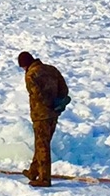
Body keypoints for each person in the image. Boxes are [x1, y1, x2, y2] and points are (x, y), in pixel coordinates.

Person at [17, 50, 70, 186]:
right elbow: (64, 89)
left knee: (42, 147)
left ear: (25, 65)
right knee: (42, 143)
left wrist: (47, 105)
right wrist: (57, 103)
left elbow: (36, 95)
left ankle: (44, 179)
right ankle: (33, 172)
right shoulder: (51, 69)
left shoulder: (31, 75)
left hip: (41, 115)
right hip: (54, 113)